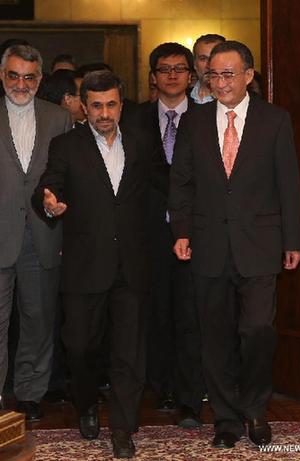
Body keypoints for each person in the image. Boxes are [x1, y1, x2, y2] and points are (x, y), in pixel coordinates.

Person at [169, 40, 300, 449]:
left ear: (248, 75)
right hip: (208, 245)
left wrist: (293, 240)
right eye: (214, 74)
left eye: (230, 74)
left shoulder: (275, 120)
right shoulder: (194, 120)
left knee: (258, 329)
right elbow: (182, 181)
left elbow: (288, 184)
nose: (221, 82)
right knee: (216, 336)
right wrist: (181, 231)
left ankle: (256, 410)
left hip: (261, 244)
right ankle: (226, 419)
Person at [32, 70, 168, 459]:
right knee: (78, 345)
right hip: (84, 265)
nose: (104, 113)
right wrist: (49, 203)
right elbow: (50, 185)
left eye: (111, 104)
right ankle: (87, 402)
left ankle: (123, 427)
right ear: (83, 106)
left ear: (121, 105)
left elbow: (171, 183)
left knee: (130, 352)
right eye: (96, 105)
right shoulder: (66, 145)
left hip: (133, 265)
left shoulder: (142, 143)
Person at [0, 44, 72, 420]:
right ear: (2, 75)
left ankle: (29, 396)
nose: (21, 84)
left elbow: (67, 175)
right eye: (14, 75)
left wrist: (59, 206)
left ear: (40, 79)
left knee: (39, 319)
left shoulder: (59, 118)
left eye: (29, 77)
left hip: (44, 234)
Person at [139, 42, 205, 428]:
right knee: (156, 311)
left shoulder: (207, 117)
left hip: (196, 231)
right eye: (164, 69)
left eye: (180, 68)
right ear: (153, 76)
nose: (172, 75)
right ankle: (159, 385)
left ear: (192, 76)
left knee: (191, 314)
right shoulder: (133, 118)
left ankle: (189, 396)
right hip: (147, 233)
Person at [190, 34, 225, 104]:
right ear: (194, 64)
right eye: (203, 59)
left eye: (215, 58)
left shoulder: (239, 100)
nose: (209, 65)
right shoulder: (182, 98)